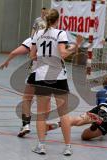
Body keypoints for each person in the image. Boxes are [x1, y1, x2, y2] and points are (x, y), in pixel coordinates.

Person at [28, 9, 83, 156]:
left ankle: (41, 146)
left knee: (41, 113)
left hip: (41, 76)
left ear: (46, 19)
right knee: (63, 113)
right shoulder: (60, 33)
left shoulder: (37, 34)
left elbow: (32, 55)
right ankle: (67, 147)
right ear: (58, 20)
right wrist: (76, 46)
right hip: (58, 76)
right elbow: (64, 53)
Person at [48, 75, 107, 140]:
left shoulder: (100, 92)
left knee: (77, 121)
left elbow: (99, 104)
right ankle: (94, 126)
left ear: (104, 85)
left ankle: (57, 124)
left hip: (102, 108)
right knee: (85, 136)